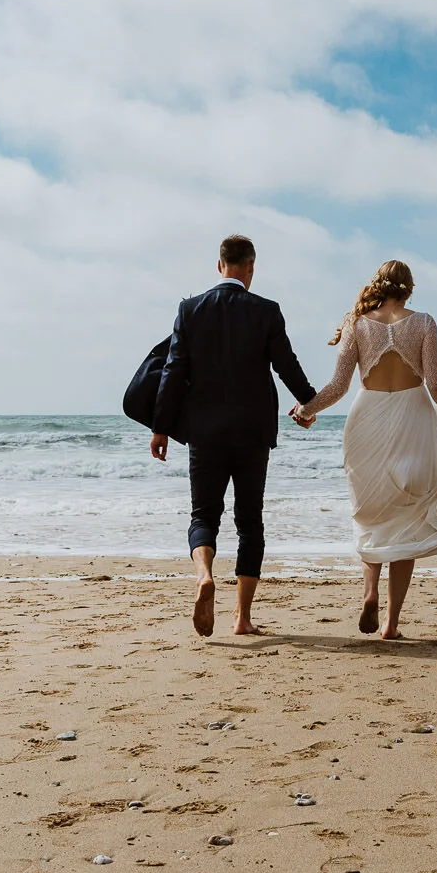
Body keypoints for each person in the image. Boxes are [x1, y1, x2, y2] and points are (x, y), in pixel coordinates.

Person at [293, 260, 437, 639]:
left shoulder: (357, 323)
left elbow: (338, 386)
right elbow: (436, 384)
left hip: (367, 422)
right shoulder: (424, 322)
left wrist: (306, 409)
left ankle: (369, 593)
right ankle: (391, 625)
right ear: (409, 289)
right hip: (413, 418)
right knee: (408, 519)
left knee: (370, 517)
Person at [152, 235, 317, 637]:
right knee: (250, 521)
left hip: (204, 431)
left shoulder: (190, 310)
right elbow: (286, 365)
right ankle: (242, 617)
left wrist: (160, 427)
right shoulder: (266, 311)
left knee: (203, 515)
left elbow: (173, 371)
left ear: (219, 265)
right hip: (252, 431)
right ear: (251, 267)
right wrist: (309, 403)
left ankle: (204, 576)